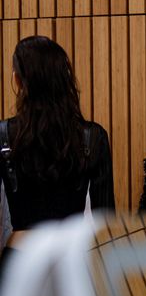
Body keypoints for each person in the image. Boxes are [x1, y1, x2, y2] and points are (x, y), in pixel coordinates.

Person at [0, 35, 114, 279]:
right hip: (70, 260)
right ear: (65, 81)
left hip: (19, 258)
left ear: (18, 81)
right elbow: (106, 221)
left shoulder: (3, 135)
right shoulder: (92, 137)